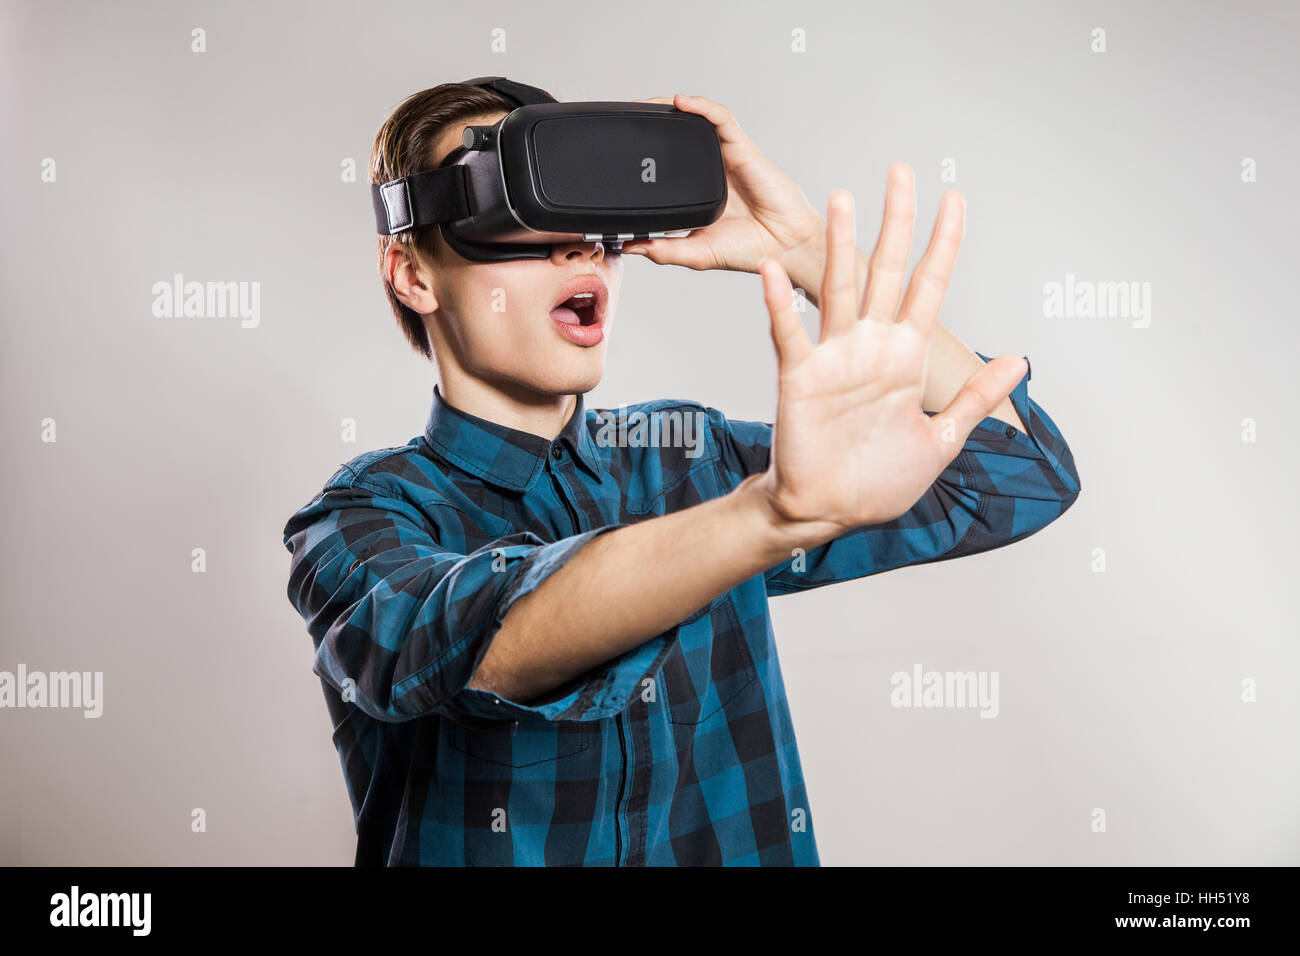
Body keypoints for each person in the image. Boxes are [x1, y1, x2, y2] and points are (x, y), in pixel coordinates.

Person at [281, 80, 1081, 866]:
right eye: (512, 213)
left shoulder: (691, 459)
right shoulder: (357, 523)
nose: (574, 245)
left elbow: (1017, 475)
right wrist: (762, 520)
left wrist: (799, 251)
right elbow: (483, 645)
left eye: (581, 214)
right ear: (413, 274)